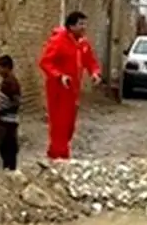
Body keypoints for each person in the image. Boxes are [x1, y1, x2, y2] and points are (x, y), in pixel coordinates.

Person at [37, 10, 101, 160]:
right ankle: (61, 157)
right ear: (71, 26)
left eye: (85, 24)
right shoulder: (59, 40)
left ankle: (55, 153)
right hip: (59, 90)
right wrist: (59, 76)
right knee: (59, 124)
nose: (84, 27)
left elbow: (90, 61)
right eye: (81, 24)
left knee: (69, 127)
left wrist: (95, 73)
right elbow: (45, 62)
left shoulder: (83, 43)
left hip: (73, 91)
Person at [0, 54, 21, 171]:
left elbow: (16, 103)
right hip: (6, 119)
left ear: (7, 67)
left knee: (7, 146)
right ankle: (9, 167)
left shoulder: (10, 83)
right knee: (6, 146)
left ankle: (9, 168)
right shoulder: (8, 81)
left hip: (8, 120)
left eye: (0, 67)